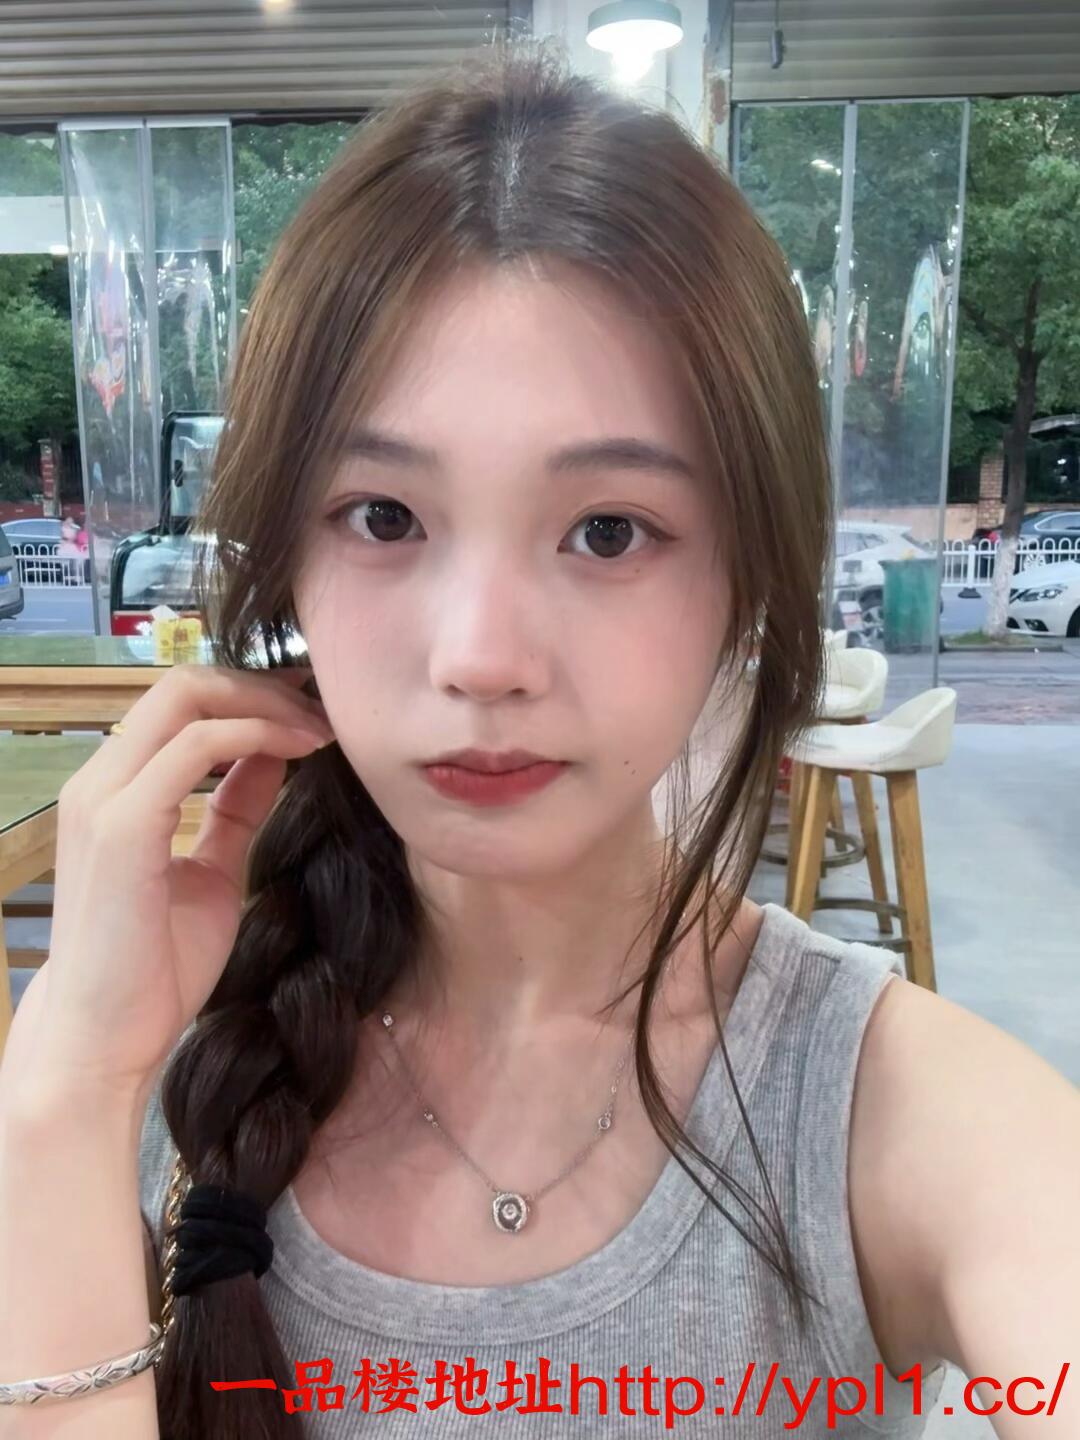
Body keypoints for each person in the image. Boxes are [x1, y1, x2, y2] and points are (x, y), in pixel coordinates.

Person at [0, 37, 1076, 1440]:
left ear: (747, 578)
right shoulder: (152, 1062)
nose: (481, 657)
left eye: (608, 531)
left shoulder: (896, 1113)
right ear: (289, 566)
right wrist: (64, 1094)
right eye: (384, 517)